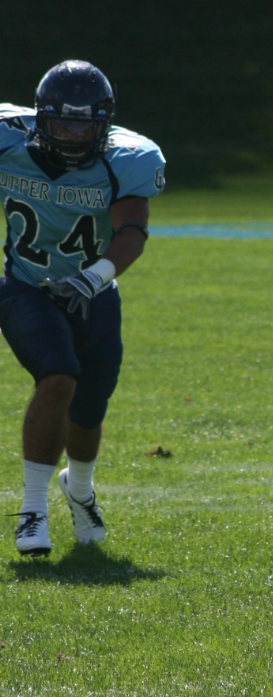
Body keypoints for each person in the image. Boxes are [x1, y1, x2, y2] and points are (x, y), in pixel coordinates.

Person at [0, 60, 165, 556]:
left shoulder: (128, 157)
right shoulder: (9, 138)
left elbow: (132, 231)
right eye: (63, 123)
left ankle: (80, 488)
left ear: (105, 124)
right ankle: (31, 511)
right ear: (40, 116)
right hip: (25, 285)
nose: (72, 136)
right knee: (58, 377)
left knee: (89, 410)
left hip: (92, 289)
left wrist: (92, 279)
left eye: (85, 124)